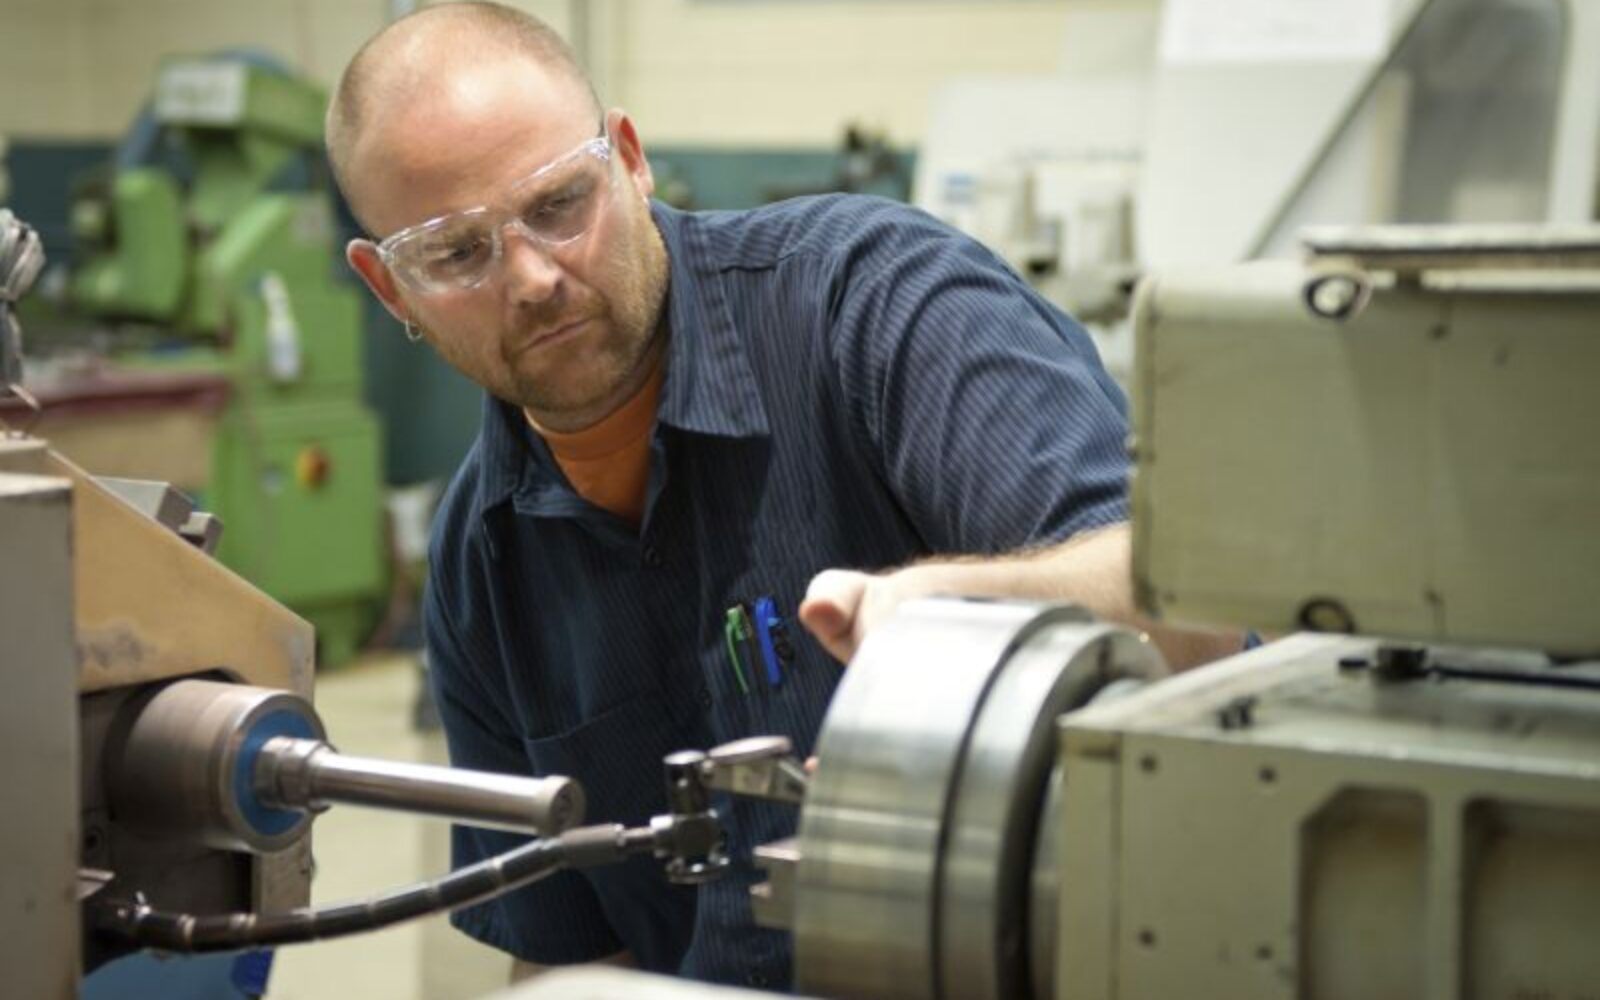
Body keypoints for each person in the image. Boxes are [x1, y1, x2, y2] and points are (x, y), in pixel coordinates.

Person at [326, 2, 1235, 989]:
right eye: (457, 253)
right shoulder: (481, 566)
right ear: (390, 287)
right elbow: (577, 956)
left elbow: (1196, 615)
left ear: (628, 159)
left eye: (559, 204)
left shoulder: (874, 305)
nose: (535, 277)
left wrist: (954, 615)